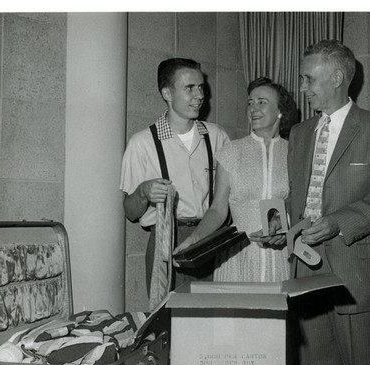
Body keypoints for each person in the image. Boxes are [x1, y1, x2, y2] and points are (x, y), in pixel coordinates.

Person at [277, 40, 370, 365]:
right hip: (306, 271)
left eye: (309, 79)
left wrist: (337, 222)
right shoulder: (301, 133)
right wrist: (284, 225)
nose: (303, 88)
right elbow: (300, 195)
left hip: (359, 277)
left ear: (337, 77)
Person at [120, 57, 230, 295]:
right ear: (167, 94)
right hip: (164, 239)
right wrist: (142, 192)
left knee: (212, 321)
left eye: (201, 87)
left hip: (210, 235)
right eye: (189, 88)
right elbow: (130, 212)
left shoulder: (217, 136)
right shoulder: (142, 143)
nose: (199, 95)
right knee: (168, 320)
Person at [174, 77, 299, 282]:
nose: (253, 108)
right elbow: (217, 209)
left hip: (280, 256)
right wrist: (195, 239)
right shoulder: (231, 151)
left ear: (280, 111)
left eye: (261, 102)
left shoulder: (294, 153)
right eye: (250, 103)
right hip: (239, 257)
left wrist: (285, 228)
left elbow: (297, 205)